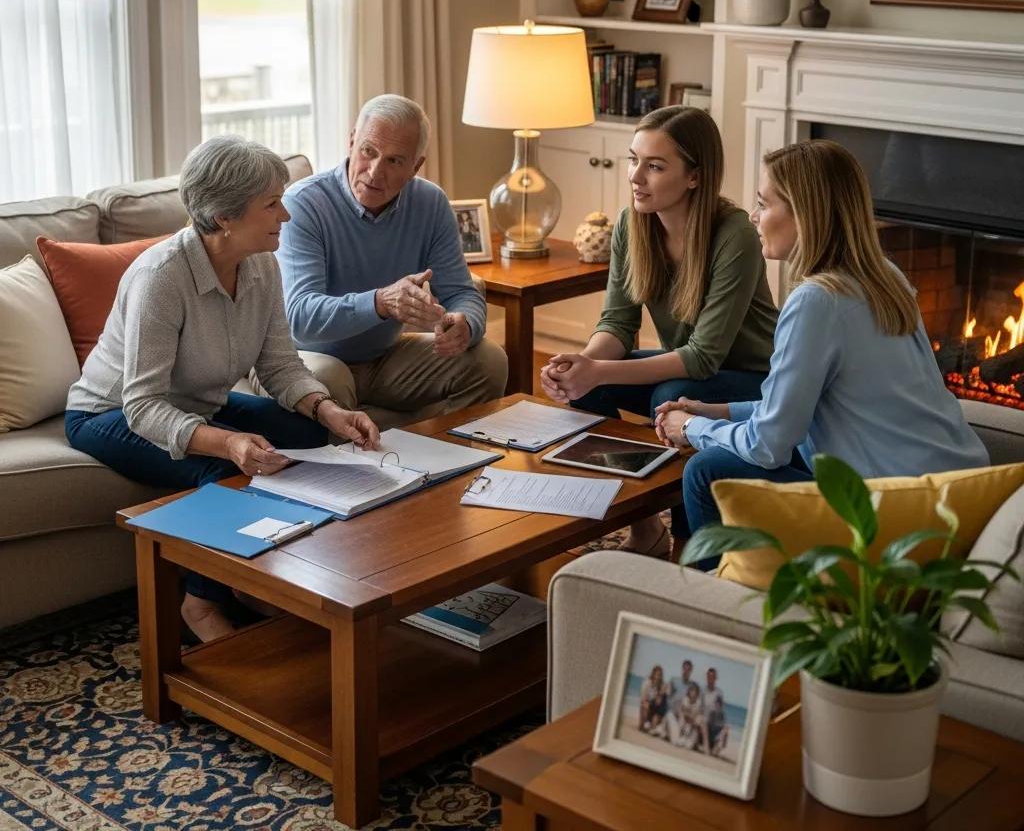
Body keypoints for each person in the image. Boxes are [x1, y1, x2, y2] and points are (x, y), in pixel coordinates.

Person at [66, 136, 381, 642]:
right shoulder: (161, 278)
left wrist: (327, 410)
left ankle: (275, 576)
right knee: (222, 468)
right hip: (109, 414)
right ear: (224, 217)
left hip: (196, 404)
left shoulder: (263, 265)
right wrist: (228, 441)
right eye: (272, 203)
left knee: (307, 436)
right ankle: (201, 604)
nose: (287, 214)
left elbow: (280, 366)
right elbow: (143, 404)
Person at [655, 139, 990, 569]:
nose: (754, 217)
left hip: (897, 511)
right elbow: (800, 409)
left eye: (763, 203)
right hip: (958, 491)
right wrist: (715, 410)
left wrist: (693, 427)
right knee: (721, 443)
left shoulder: (817, 300)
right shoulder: (884, 276)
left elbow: (767, 446)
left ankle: (719, 609)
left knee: (706, 469)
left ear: (804, 214)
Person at [540, 106, 777, 556]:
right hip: (690, 369)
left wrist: (600, 370)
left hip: (755, 379)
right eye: (633, 160)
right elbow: (617, 323)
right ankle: (647, 528)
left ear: (694, 177)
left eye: (654, 166)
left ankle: (690, 541)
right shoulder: (632, 223)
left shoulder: (735, 235)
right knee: (584, 391)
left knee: (670, 390)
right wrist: (584, 365)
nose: (635, 176)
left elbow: (704, 356)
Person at [277, 94, 507, 419]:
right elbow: (300, 319)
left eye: (394, 161)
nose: (374, 172)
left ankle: (447, 463)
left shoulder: (430, 203)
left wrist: (465, 324)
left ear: (416, 166)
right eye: (368, 151)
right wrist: (381, 302)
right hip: (303, 356)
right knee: (330, 377)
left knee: (488, 360)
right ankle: (353, 468)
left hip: (383, 358)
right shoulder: (304, 204)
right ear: (352, 140)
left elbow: (461, 292)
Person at [702, 668, 728, 757]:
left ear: (716, 678)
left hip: (713, 723)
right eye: (709, 676)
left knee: (726, 728)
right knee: (704, 721)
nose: (710, 678)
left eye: (712, 677)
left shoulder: (719, 692)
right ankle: (706, 748)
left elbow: (720, 709)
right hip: (704, 723)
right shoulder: (703, 691)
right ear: (706, 677)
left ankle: (716, 748)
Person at [638, 664, 669, 735]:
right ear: (653, 674)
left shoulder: (662, 685)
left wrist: (661, 692)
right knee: (645, 706)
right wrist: (648, 702)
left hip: (655, 709)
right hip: (647, 706)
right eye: (657, 674)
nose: (658, 677)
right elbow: (643, 699)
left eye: (660, 675)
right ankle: (644, 723)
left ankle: (653, 725)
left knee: (662, 703)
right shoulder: (647, 683)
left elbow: (662, 701)